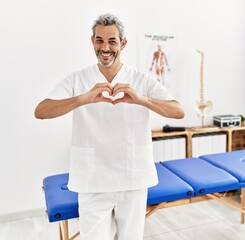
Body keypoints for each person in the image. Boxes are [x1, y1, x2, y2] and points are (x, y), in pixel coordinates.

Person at [34, 14, 184, 240]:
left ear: (122, 44)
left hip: (132, 178)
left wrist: (141, 100)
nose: (105, 47)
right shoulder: (78, 79)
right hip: (93, 180)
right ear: (92, 41)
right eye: (100, 40)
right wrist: (83, 99)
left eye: (112, 41)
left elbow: (178, 111)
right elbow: (41, 111)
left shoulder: (141, 79)